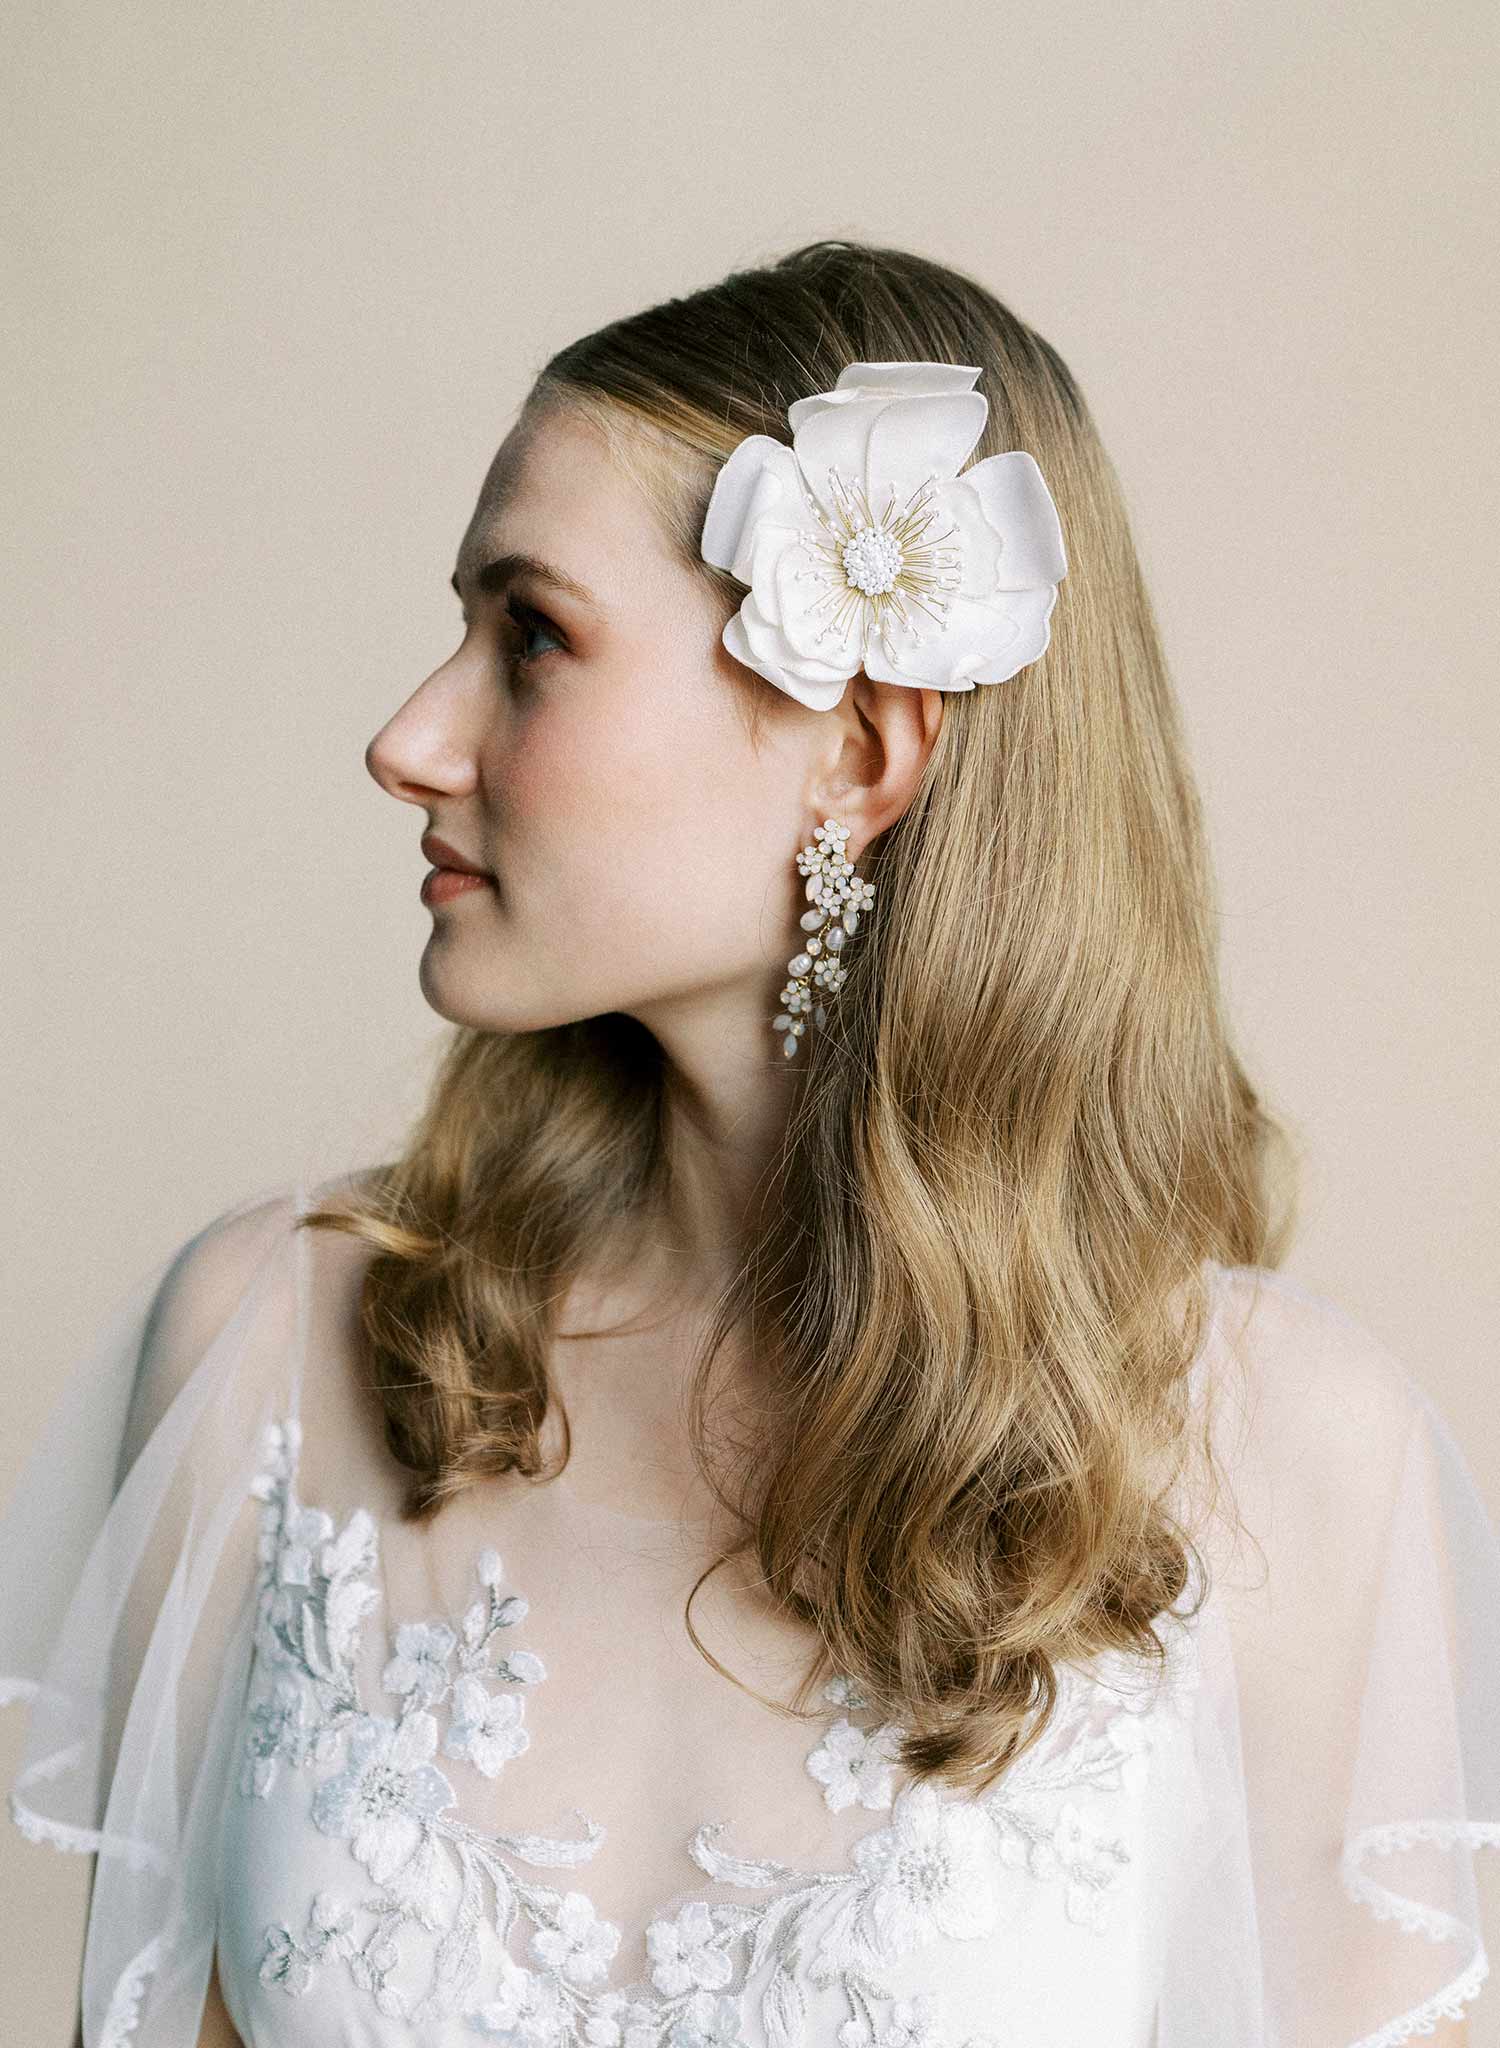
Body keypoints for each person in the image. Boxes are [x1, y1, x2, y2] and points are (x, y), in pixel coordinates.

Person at [3, 238, 1497, 2048]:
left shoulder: (1290, 1462)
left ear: (859, 750)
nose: (408, 738)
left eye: (532, 636)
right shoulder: (269, 1347)